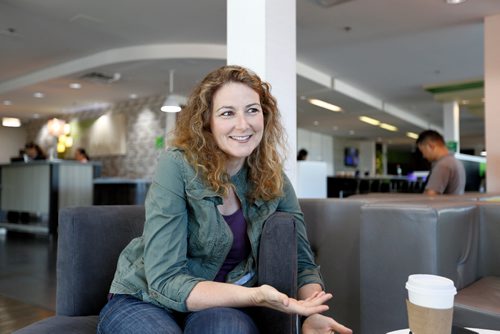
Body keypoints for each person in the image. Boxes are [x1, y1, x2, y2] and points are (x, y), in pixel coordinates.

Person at [97, 65, 352, 334]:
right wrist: (255, 296)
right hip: (146, 298)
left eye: (252, 110)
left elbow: (302, 264)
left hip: (221, 306)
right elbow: (164, 280)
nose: (243, 124)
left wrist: (310, 314)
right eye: (227, 113)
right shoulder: (177, 165)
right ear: (207, 121)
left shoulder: (272, 177)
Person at [416, 130, 466, 195]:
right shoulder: (455, 161)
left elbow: (430, 196)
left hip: (446, 205)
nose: (424, 156)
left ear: (431, 146)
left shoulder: (443, 165)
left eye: (423, 151)